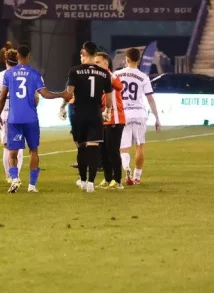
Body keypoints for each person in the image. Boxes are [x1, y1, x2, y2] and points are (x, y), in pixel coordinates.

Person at [0, 45, 67, 194]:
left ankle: (14, 179)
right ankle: (32, 186)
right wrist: (62, 94)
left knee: (12, 151)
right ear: (29, 56)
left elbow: (2, 97)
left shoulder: (9, 74)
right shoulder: (35, 74)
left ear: (17, 57)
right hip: (30, 118)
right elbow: (45, 94)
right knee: (33, 150)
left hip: (14, 118)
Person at [65, 42, 115, 193]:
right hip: (95, 114)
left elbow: (69, 93)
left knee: (81, 148)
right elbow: (108, 98)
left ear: (84, 53)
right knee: (93, 148)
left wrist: (62, 106)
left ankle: (82, 180)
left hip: (79, 113)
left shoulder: (75, 71)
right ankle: (91, 183)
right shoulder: (104, 73)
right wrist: (107, 111)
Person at [114, 48, 161, 185]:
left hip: (124, 114)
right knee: (140, 145)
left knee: (124, 147)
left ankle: (126, 168)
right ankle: (137, 177)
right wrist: (157, 118)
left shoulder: (117, 74)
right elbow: (150, 99)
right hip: (140, 113)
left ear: (126, 59)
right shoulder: (143, 76)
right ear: (139, 60)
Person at [95, 52, 127, 190]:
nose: (95, 65)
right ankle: (108, 179)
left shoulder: (111, 76)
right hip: (102, 119)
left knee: (112, 150)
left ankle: (118, 180)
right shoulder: (97, 79)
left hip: (115, 118)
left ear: (105, 64)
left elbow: (120, 86)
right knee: (103, 151)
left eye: (98, 62)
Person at [0, 50, 22, 180]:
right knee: (18, 146)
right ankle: (16, 175)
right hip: (21, 113)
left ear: (5, 60)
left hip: (5, 113)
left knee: (7, 146)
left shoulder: (0, 76)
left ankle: (10, 176)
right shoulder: (25, 74)